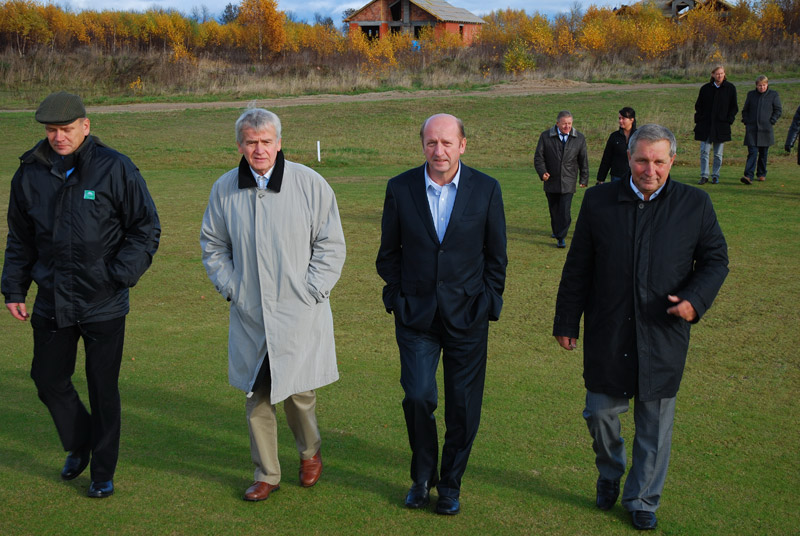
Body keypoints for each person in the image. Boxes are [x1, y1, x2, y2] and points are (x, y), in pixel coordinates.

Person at [553, 124, 729, 531]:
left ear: (672, 162)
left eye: (659, 161)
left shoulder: (695, 204)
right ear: (628, 158)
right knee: (599, 414)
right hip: (609, 330)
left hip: (663, 333)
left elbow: (716, 260)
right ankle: (611, 471)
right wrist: (566, 320)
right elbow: (578, 267)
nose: (650, 169)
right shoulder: (598, 201)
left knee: (654, 423)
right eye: (641, 160)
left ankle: (642, 499)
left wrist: (695, 300)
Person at [2, 91, 160, 499]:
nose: (58, 137)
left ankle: (102, 471)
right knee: (47, 379)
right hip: (52, 298)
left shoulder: (115, 168)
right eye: (52, 131)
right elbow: (20, 239)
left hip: (103, 300)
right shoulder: (29, 172)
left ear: (85, 126)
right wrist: (14, 288)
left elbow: (145, 228)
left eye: (66, 129)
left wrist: (119, 275)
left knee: (102, 387)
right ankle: (80, 441)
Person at [200, 108, 345, 502]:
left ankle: (310, 452)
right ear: (240, 145)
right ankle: (266, 473)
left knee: (299, 395)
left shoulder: (310, 184)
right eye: (251, 142)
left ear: (279, 143)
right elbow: (213, 245)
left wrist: (312, 290)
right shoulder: (225, 189)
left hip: (298, 312)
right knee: (257, 395)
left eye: (266, 142)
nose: (259, 149)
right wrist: (233, 289)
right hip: (250, 315)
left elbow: (330, 245)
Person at [376, 113, 507, 515]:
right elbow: (388, 256)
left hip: (468, 315)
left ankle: (450, 484)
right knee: (417, 396)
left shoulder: (486, 189)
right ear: (422, 146)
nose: (439, 150)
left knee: (463, 408)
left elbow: (496, 257)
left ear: (463, 145)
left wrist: (487, 303)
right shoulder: (400, 188)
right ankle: (422, 477)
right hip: (416, 316)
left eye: (447, 143)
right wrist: (398, 299)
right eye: (432, 142)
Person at [534, 110, 589, 248]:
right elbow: (539, 158)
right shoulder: (545, 136)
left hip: (569, 181)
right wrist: (543, 173)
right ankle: (557, 230)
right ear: (557, 123)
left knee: (565, 210)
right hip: (551, 180)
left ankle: (561, 237)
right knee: (554, 210)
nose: (567, 126)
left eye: (569, 123)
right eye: (564, 123)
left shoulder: (579, 138)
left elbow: (583, 160)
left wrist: (584, 178)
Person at [694, 65, 738, 185]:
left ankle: (715, 175)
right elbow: (698, 106)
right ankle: (704, 175)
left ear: (724, 74)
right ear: (712, 74)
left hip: (721, 126)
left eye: (722, 73)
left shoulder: (730, 88)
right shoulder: (705, 89)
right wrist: (700, 118)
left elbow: (734, 107)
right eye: (717, 73)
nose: (720, 76)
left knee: (718, 154)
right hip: (706, 125)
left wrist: (729, 120)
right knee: (704, 152)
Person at [740, 76, 782, 185]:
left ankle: (761, 174)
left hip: (766, 129)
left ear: (767, 85)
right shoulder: (751, 95)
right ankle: (748, 176)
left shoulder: (773, 95)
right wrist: (746, 121)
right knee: (752, 153)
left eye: (764, 85)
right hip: (752, 130)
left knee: (763, 153)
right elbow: (745, 110)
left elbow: (778, 110)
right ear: (756, 85)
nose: (762, 87)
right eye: (759, 85)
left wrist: (772, 121)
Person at [597, 107, 637, 184]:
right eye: (619, 118)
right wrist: (601, 178)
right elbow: (607, 158)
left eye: (623, 118)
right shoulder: (614, 136)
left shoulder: (639, 136)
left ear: (632, 120)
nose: (620, 121)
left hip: (634, 176)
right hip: (617, 176)